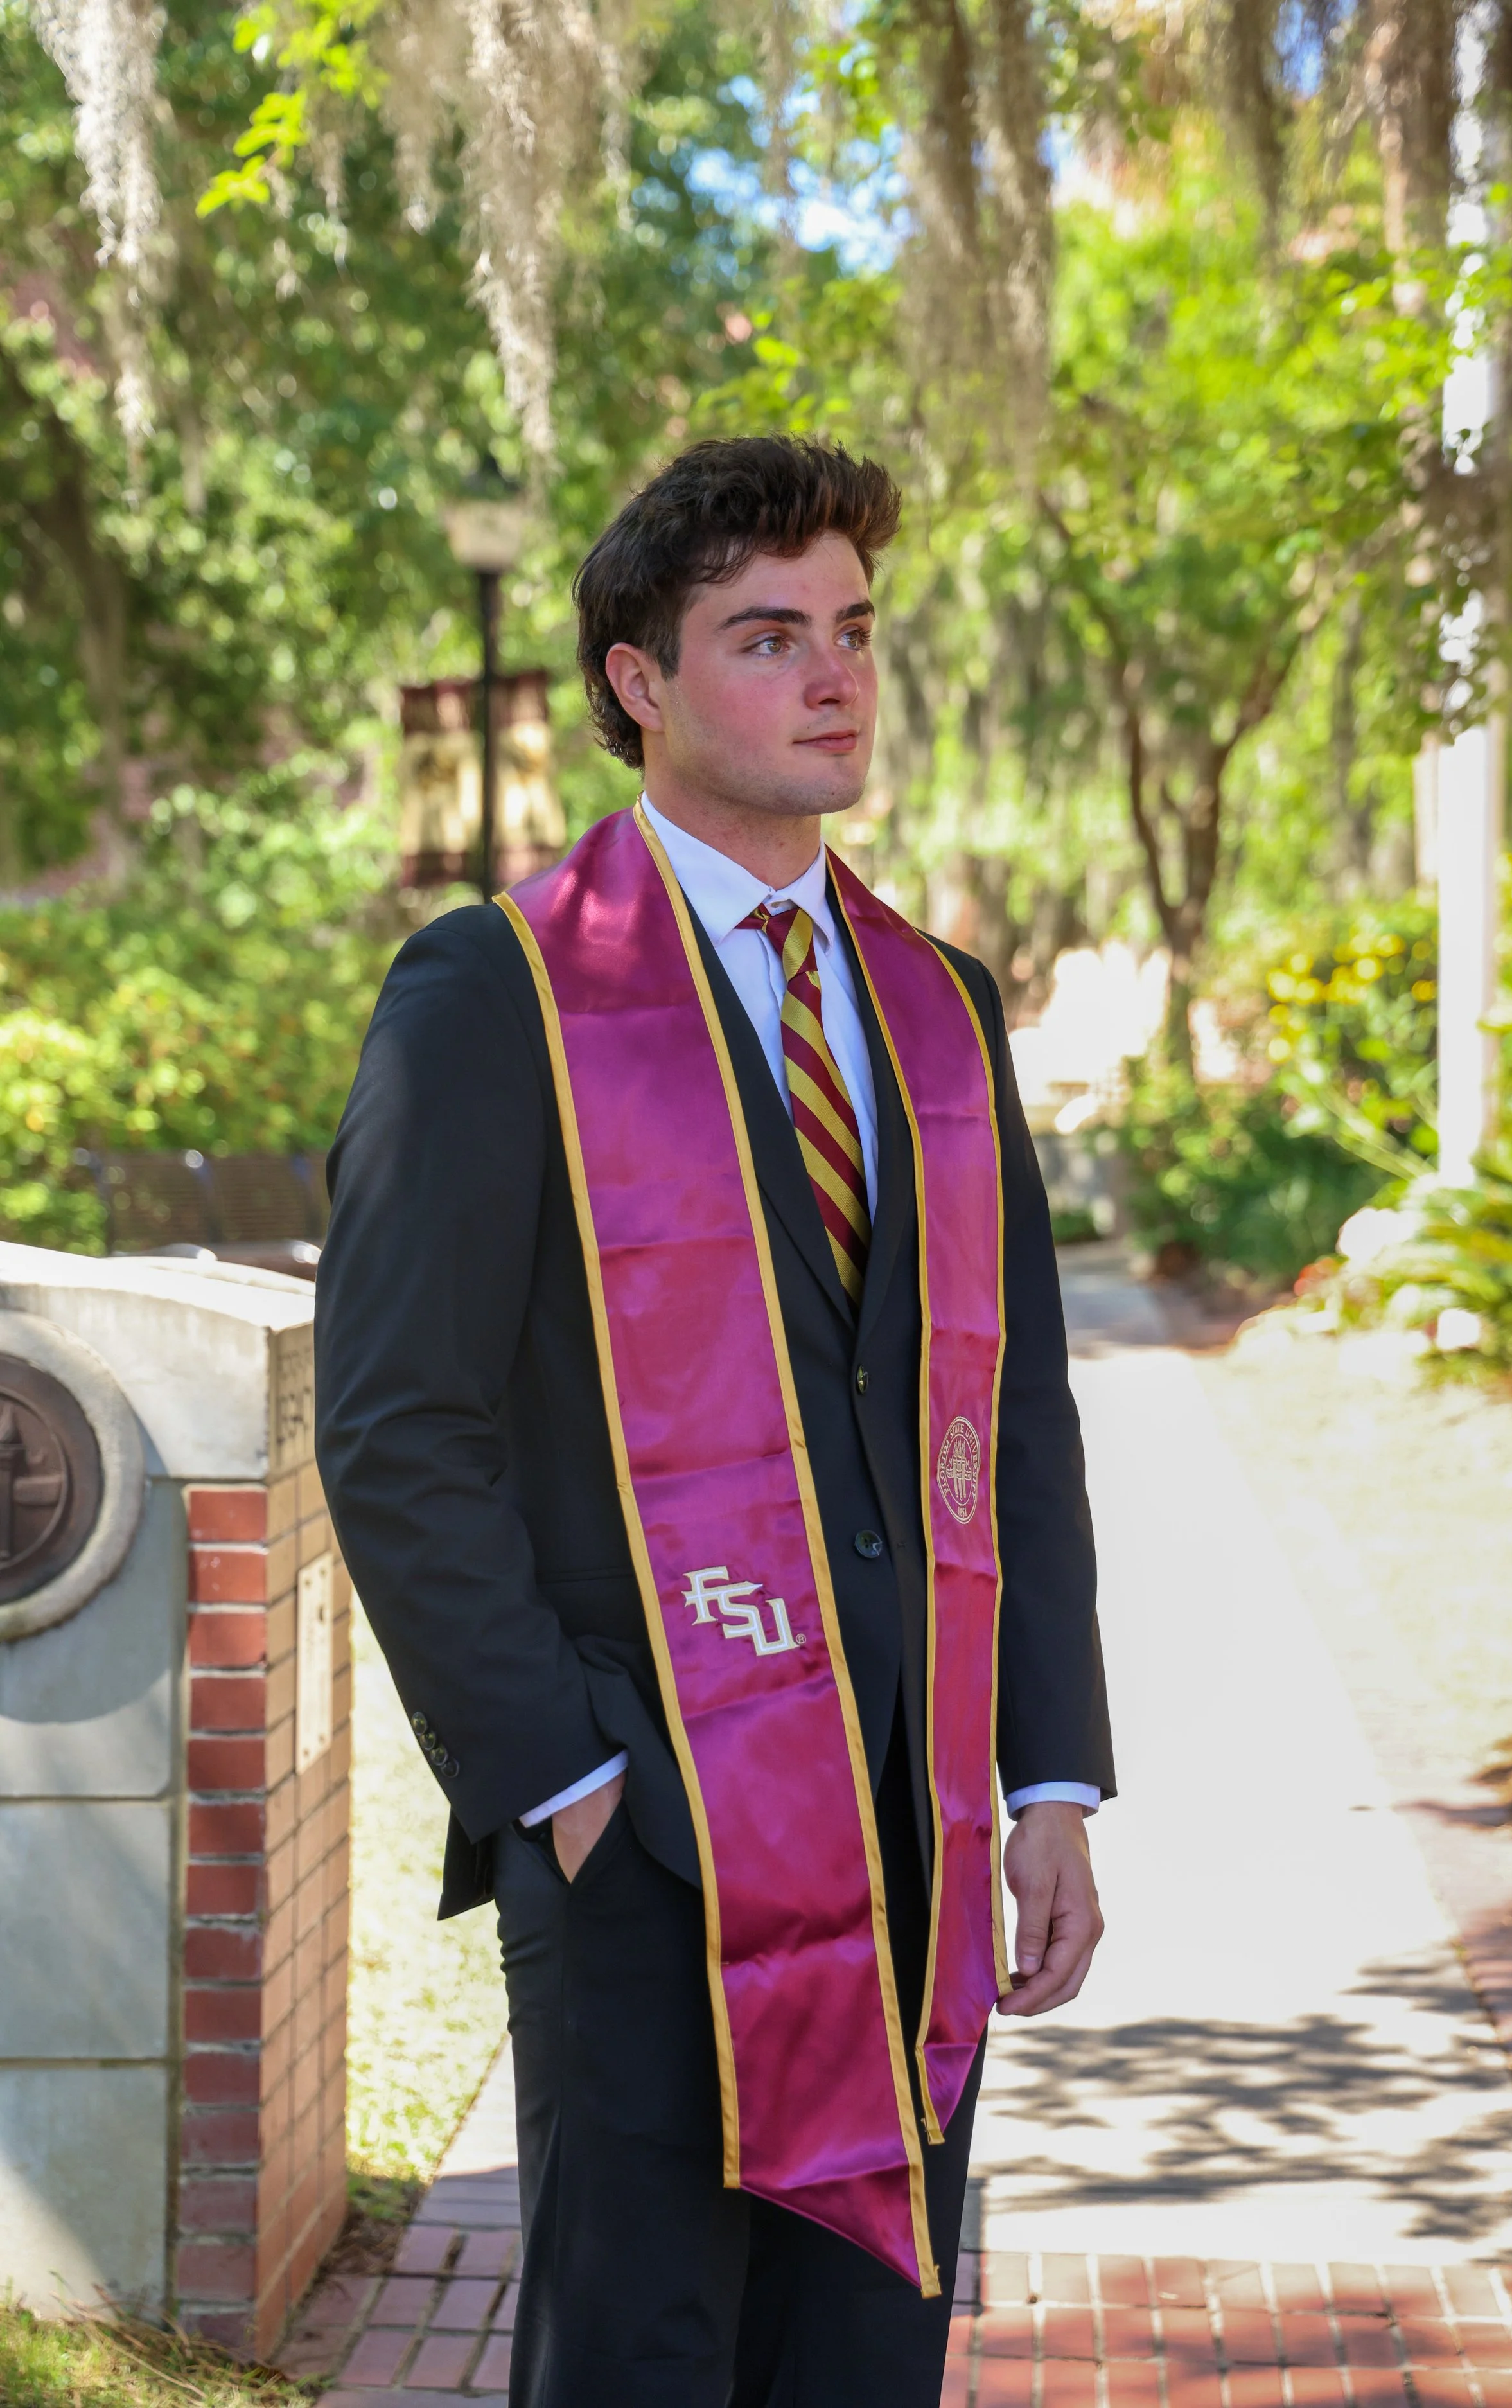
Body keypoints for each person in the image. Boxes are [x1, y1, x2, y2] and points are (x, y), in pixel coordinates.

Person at [314, 434, 1114, 2408]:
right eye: (767, 637)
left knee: (864, 2348)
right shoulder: (494, 994)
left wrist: (1051, 1780)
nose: (834, 675)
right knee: (643, 2361)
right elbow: (398, 1424)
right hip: (647, 1829)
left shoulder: (936, 1003)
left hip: (910, 1812)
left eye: (851, 630)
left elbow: (1013, 1408)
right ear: (636, 684)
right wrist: (563, 1784)